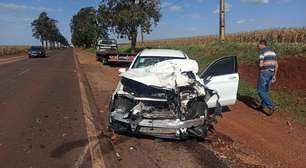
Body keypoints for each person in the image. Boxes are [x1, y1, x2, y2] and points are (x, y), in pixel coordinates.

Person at [256, 40, 278, 116]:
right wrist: (274, 75)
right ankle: (262, 106)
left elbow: (261, 65)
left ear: (262, 44)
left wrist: (257, 63)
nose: (257, 46)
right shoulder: (273, 52)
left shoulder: (262, 52)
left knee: (260, 91)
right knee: (265, 90)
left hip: (264, 72)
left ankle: (271, 105)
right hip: (271, 72)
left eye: (258, 44)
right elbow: (276, 65)